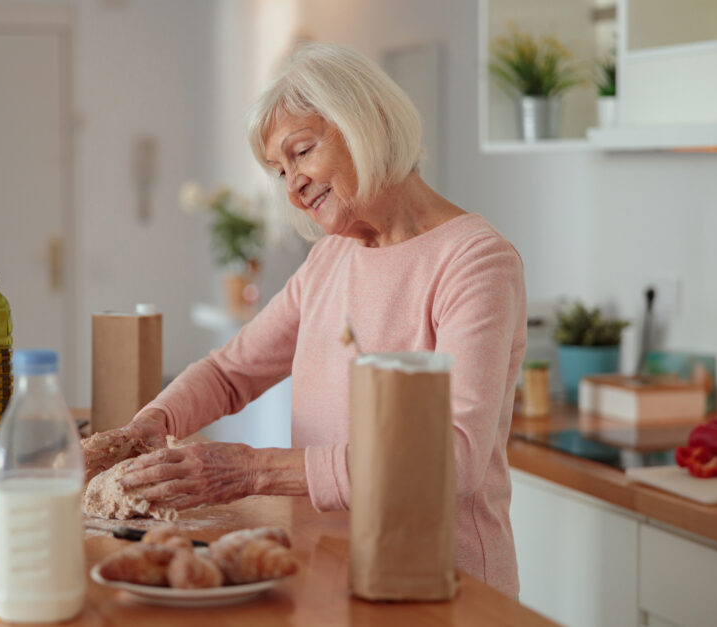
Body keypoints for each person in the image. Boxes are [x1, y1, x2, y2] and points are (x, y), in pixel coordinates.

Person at [82, 42, 526, 595]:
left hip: (444, 587)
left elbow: (450, 459)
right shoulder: (330, 259)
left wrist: (254, 471)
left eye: (303, 151)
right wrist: (152, 422)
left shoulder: (475, 260)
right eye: (279, 170)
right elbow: (230, 373)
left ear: (370, 122)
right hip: (329, 571)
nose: (292, 186)